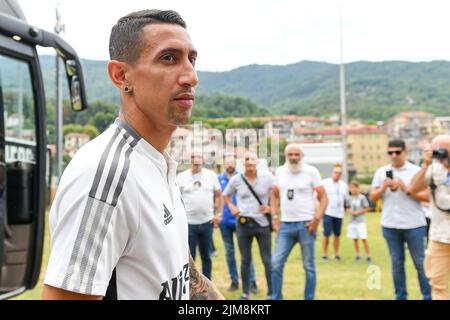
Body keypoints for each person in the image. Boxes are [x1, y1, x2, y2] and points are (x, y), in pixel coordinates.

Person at [42, 10, 223, 300]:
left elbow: (183, 273)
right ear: (121, 75)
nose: (191, 76)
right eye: (169, 58)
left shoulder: (159, 163)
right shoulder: (106, 173)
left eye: (192, 59)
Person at [369, 139, 431, 300]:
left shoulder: (416, 171)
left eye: (398, 152)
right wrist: (384, 187)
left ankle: (428, 296)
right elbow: (372, 197)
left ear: (406, 152)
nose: (394, 155)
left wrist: (406, 189)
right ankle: (401, 296)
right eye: (390, 152)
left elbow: (427, 197)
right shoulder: (381, 171)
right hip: (390, 224)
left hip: (414, 224)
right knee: (396, 264)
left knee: (420, 263)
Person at [271, 144, 328, 300]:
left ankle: (309, 297)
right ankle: (276, 297)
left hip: (306, 225)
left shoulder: (311, 171)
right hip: (286, 225)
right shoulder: (280, 171)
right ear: (286, 156)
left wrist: (317, 219)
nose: (294, 157)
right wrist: (274, 217)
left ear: (302, 156)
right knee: (275, 264)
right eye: (291, 154)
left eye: (297, 154)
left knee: (309, 267)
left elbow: (323, 197)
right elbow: (274, 195)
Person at [223, 151, 275, 300]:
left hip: (262, 224)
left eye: (253, 158)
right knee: (245, 259)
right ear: (243, 162)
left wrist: (271, 207)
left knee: (266, 260)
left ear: (257, 161)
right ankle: (246, 293)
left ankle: (271, 293)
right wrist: (232, 207)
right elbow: (225, 195)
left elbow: (278, 192)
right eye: (247, 159)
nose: (250, 161)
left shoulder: (268, 178)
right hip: (243, 224)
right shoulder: (236, 179)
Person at [408, 135, 450, 300]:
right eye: (436, 149)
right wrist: (426, 165)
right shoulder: (433, 169)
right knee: (438, 285)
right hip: (439, 236)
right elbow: (413, 188)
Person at [177, 150, 223, 280]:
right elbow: (175, 199)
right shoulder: (181, 177)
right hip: (189, 224)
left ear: (203, 160)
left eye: (199, 157)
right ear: (189, 160)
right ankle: (190, 284)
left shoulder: (211, 175)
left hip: (207, 223)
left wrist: (218, 214)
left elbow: (219, 195)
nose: (196, 159)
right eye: (193, 157)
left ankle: (207, 283)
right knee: (189, 258)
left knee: (206, 256)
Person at [218, 154, 259, 293]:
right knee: (230, 253)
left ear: (236, 164)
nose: (230, 165)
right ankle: (234, 281)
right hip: (225, 222)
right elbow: (216, 198)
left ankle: (252, 282)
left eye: (232, 162)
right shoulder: (218, 179)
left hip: (242, 221)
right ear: (223, 164)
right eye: (227, 162)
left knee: (246, 254)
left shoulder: (243, 178)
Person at [322, 165, 348, 261]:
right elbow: (319, 195)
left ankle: (336, 254)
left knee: (337, 235)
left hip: (339, 213)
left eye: (339, 173)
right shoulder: (325, 183)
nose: (337, 174)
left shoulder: (344, 185)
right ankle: (324, 254)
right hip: (328, 212)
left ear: (341, 175)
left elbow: (345, 200)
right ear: (332, 173)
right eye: (335, 172)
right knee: (326, 234)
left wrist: (346, 209)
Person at [346, 181, 371, 263]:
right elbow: (347, 207)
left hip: (360, 221)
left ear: (358, 188)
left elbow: (367, 208)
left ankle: (368, 256)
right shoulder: (349, 198)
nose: (352, 189)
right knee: (355, 239)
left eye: (354, 187)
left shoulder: (362, 197)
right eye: (351, 187)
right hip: (352, 221)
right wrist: (350, 211)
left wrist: (359, 212)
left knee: (363, 238)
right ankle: (358, 255)